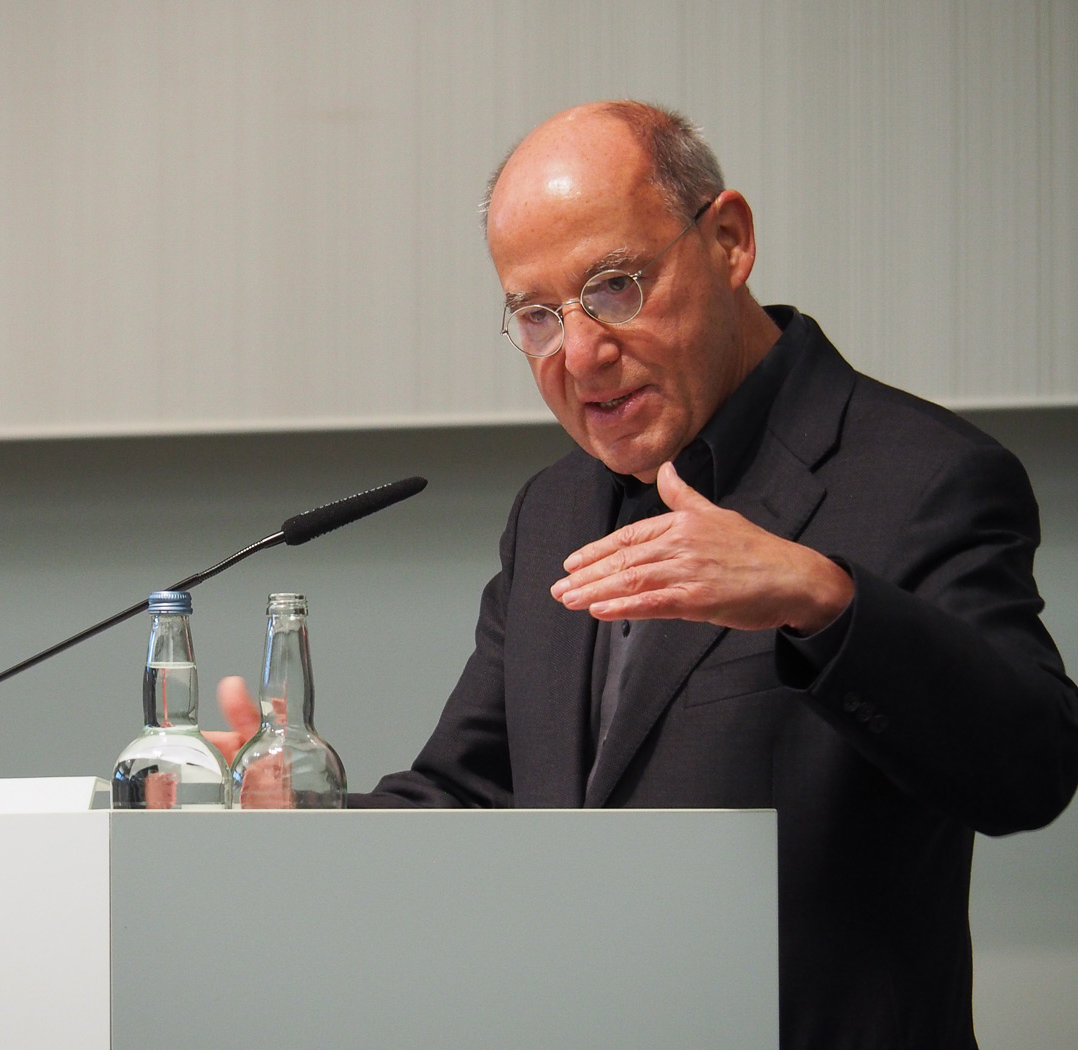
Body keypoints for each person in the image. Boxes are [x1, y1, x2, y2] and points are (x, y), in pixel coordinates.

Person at [210, 101, 1078, 1048]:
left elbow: (1029, 774)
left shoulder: (921, 476)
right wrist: (303, 817)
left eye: (615, 286)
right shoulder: (553, 513)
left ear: (731, 242)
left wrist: (823, 601)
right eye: (537, 317)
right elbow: (474, 793)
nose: (579, 355)